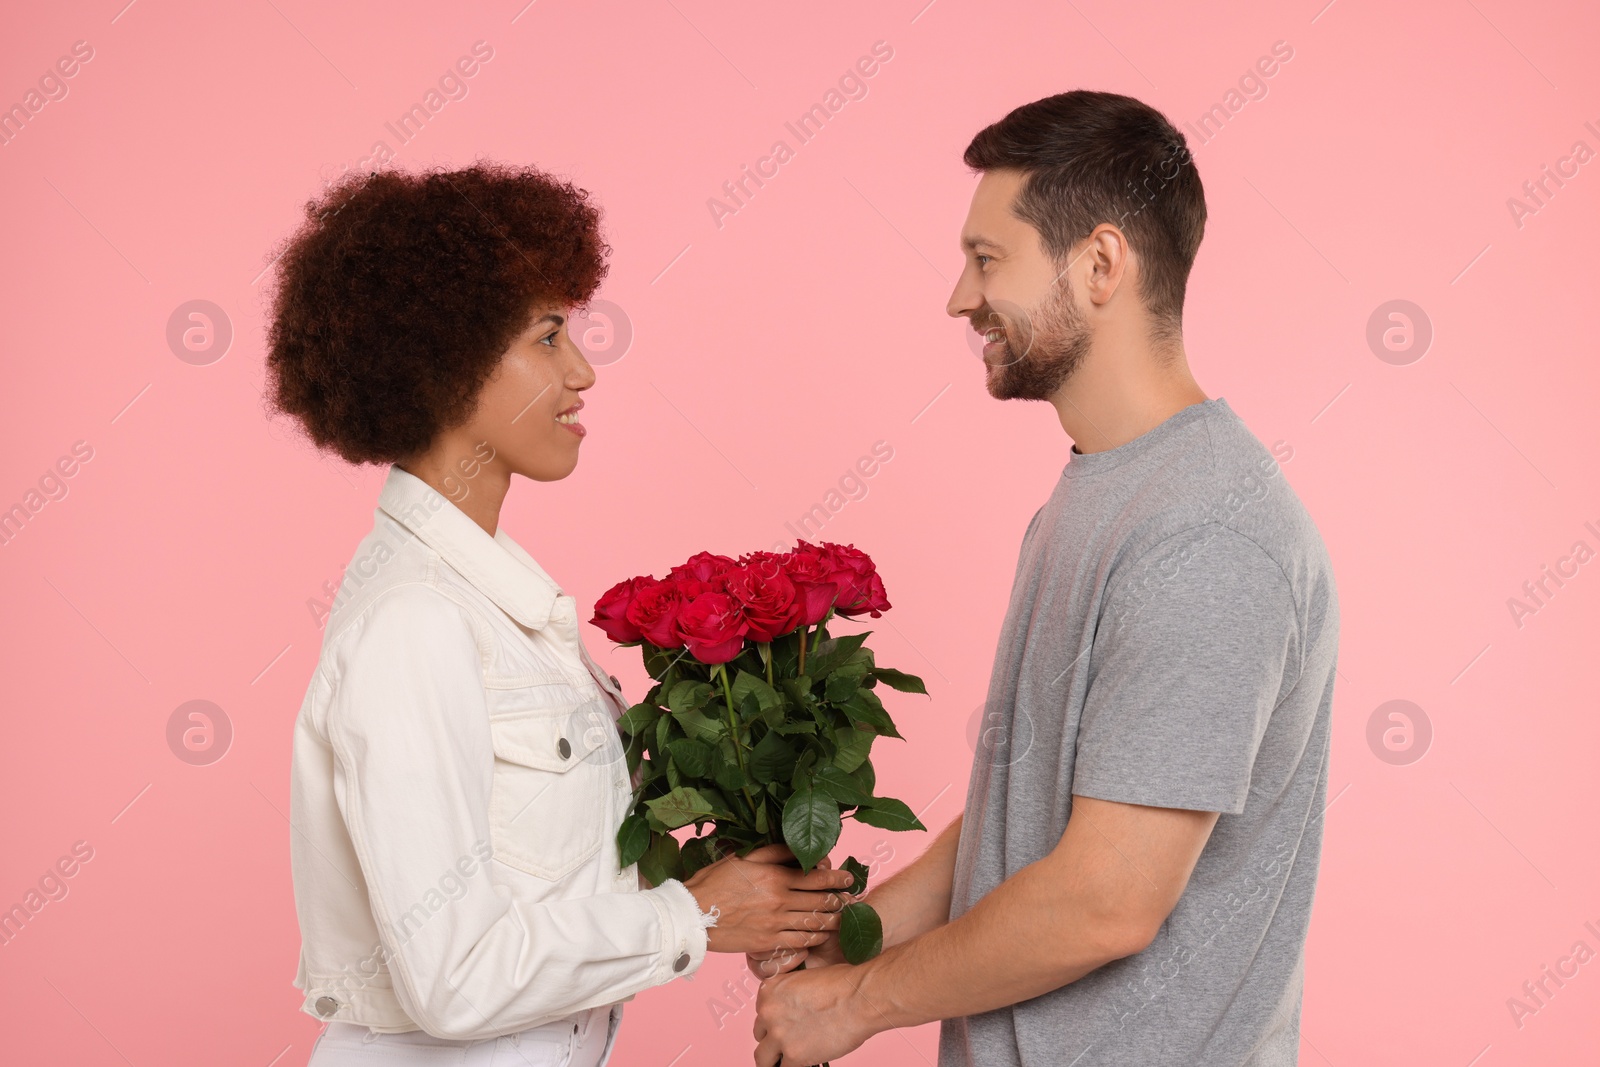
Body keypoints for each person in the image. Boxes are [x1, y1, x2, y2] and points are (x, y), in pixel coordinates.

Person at [751, 90, 1339, 1067]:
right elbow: (1022, 820)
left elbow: (1105, 897)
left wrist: (853, 1002)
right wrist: (849, 935)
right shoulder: (1098, 494)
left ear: (1100, 263)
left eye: (987, 260)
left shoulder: (1203, 536)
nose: (958, 297)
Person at [264, 162, 856, 1067]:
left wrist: (750, 891)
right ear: (445, 359)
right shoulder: (416, 623)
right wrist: (693, 914)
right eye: (547, 338)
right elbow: (453, 972)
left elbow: (556, 879)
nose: (582, 370)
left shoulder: (501, 606)